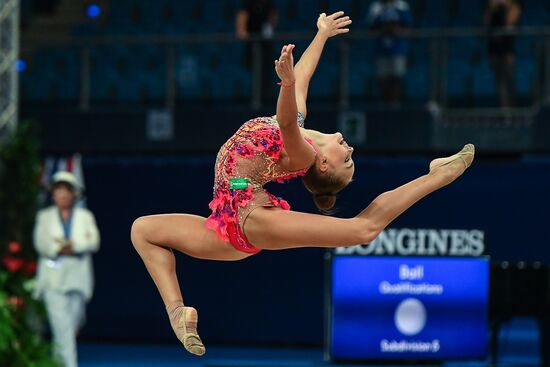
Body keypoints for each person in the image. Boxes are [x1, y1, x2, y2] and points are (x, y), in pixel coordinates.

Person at [131, 12, 474, 356]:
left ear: (323, 164)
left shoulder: (302, 155)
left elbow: (286, 118)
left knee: (362, 230)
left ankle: (438, 175)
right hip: (225, 228)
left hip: (251, 218)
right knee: (143, 230)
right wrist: (322, 34)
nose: (350, 148)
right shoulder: (301, 125)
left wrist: (288, 83)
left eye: (347, 159)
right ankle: (178, 314)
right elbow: (305, 75)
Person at [33, 171, 100, 367]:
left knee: (70, 328)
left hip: (78, 279)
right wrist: (60, 248)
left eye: (66, 191)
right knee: (63, 329)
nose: (63, 195)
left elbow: (94, 242)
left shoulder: (85, 216)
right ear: (53, 194)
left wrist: (74, 246)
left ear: (73, 194)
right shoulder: (44, 217)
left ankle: (56, 362)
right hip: (53, 280)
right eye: (59, 191)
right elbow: (41, 244)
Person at [367, 0, 412, 105]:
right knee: (382, 77)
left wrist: (396, 29)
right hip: (381, 49)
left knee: (397, 76)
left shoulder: (402, 5)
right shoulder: (376, 6)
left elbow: (408, 25)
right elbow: (370, 27)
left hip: (398, 48)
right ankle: (385, 103)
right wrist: (384, 29)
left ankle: (395, 103)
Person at [236, 0, 278, 104]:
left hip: (265, 45)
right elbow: (241, 20)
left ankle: (265, 98)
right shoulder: (249, 4)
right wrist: (242, 31)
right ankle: (252, 99)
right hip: (251, 44)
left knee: (267, 72)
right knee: (252, 71)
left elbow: (273, 18)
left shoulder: (269, 4)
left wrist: (270, 30)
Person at [485, 0, 521, 108]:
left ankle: (512, 110)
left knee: (509, 82)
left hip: (507, 50)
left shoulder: (514, 6)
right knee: (500, 83)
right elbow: (486, 22)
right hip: (494, 49)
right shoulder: (492, 7)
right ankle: (505, 111)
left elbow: (509, 22)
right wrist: (491, 8)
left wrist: (506, 5)